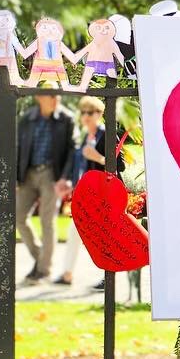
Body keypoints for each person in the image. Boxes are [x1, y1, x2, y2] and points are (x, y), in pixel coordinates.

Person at [56, 96, 124, 286]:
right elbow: (82, 168)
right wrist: (71, 184)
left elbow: (120, 167)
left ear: (100, 114)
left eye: (90, 112)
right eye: (83, 112)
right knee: (74, 232)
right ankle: (67, 273)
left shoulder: (108, 135)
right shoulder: (85, 137)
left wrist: (99, 158)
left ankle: (108, 277)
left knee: (105, 237)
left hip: (105, 195)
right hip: (88, 196)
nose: (86, 116)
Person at [16, 91, 74, 280]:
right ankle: (41, 258)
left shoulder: (66, 119)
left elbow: (73, 151)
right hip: (29, 173)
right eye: (51, 95)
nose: (56, 98)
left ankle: (43, 270)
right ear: (39, 97)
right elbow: (18, 148)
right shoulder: (27, 119)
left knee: (47, 221)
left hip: (52, 175)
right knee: (18, 218)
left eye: (58, 95)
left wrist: (64, 177)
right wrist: (17, 177)